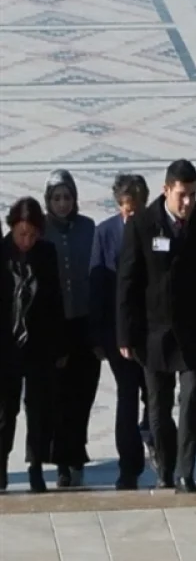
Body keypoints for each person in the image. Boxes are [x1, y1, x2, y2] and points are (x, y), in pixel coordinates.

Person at [117, 160, 196, 494]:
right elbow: (128, 282)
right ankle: (166, 467)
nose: (187, 202)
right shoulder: (143, 224)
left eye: (192, 194)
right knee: (158, 410)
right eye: (181, 195)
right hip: (154, 334)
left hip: (193, 334)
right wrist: (125, 334)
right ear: (166, 191)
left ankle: (187, 472)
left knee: (192, 404)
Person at [90, 174, 153, 489]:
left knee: (156, 396)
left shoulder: (157, 228)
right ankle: (129, 466)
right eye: (126, 210)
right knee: (127, 397)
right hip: (119, 335)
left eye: (136, 209)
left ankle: (163, 456)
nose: (131, 216)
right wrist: (100, 338)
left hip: (153, 333)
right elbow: (98, 288)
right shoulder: (105, 234)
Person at [0, 198, 66, 493]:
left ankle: (36, 465)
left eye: (32, 234)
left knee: (38, 410)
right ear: (12, 227)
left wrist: (59, 345)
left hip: (38, 346)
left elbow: (54, 300)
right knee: (5, 411)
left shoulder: (46, 253)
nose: (26, 240)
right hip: (5, 347)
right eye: (21, 234)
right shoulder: (1, 253)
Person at [44, 169, 99, 488]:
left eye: (67, 197)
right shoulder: (43, 231)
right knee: (59, 396)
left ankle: (77, 451)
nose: (62, 204)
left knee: (84, 393)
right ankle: (61, 459)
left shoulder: (87, 227)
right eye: (56, 198)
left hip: (84, 322)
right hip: (56, 325)